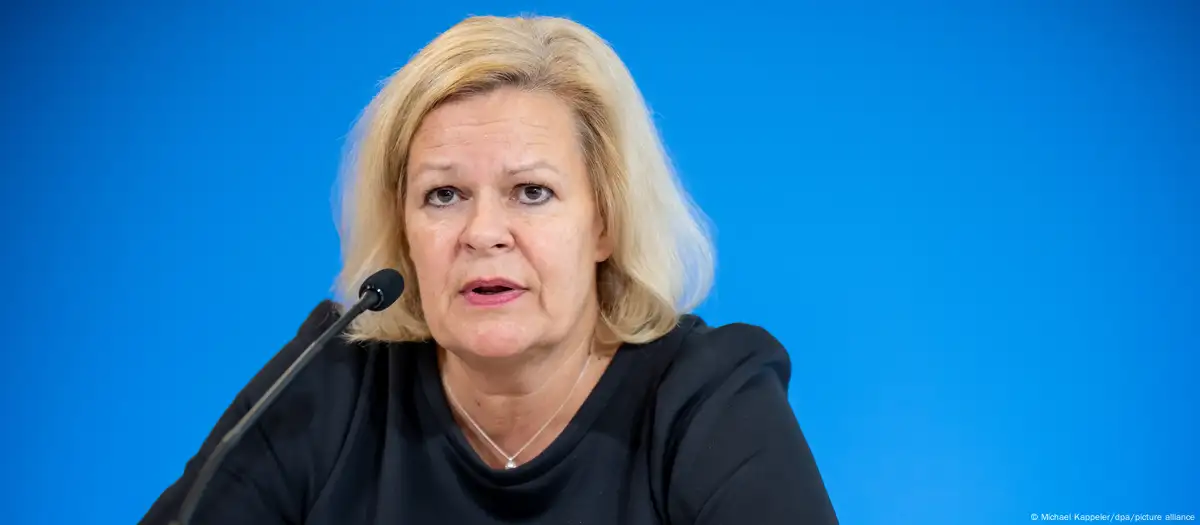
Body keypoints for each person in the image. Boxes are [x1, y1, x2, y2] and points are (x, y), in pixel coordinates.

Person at [140, 14, 838, 525]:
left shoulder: (704, 396)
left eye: (531, 192)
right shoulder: (334, 380)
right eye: (443, 195)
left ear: (604, 222)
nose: (482, 233)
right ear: (404, 228)